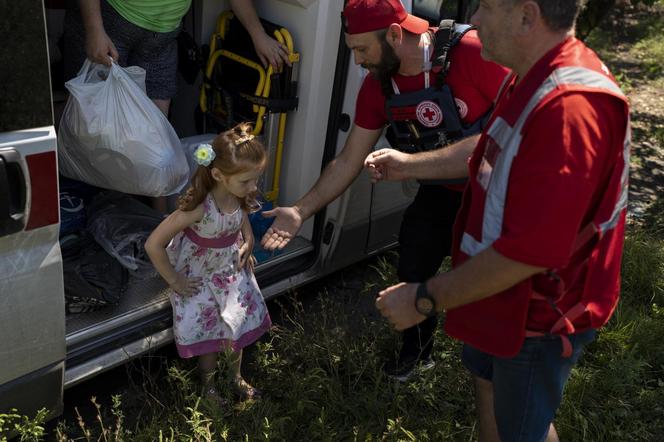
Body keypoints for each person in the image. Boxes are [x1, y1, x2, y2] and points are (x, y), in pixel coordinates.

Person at [368, 0, 631, 440]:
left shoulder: (569, 108)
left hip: (539, 313)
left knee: (522, 429)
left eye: (486, 7)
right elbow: (485, 147)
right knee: (488, 389)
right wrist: (411, 164)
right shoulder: (532, 77)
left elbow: (530, 252)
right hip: (502, 297)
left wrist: (424, 298)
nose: (474, 20)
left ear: (527, 16)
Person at [260, 0, 508, 381]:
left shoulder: (472, 53)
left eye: (362, 49)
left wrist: (410, 165)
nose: (357, 61)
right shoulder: (379, 87)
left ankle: (493, 371)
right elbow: (347, 161)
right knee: (413, 258)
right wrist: (300, 210)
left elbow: (507, 137)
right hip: (442, 191)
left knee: (483, 285)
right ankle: (418, 353)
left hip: (499, 195)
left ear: (394, 34)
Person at [145, 123, 272, 405]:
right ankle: (210, 386)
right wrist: (175, 280)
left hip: (230, 273)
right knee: (211, 332)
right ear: (217, 175)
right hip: (201, 277)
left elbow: (243, 221)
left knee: (235, 325)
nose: (253, 187)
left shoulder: (239, 196)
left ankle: (236, 377)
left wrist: (248, 242)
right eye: (246, 181)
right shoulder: (200, 209)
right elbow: (153, 244)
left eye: (255, 180)